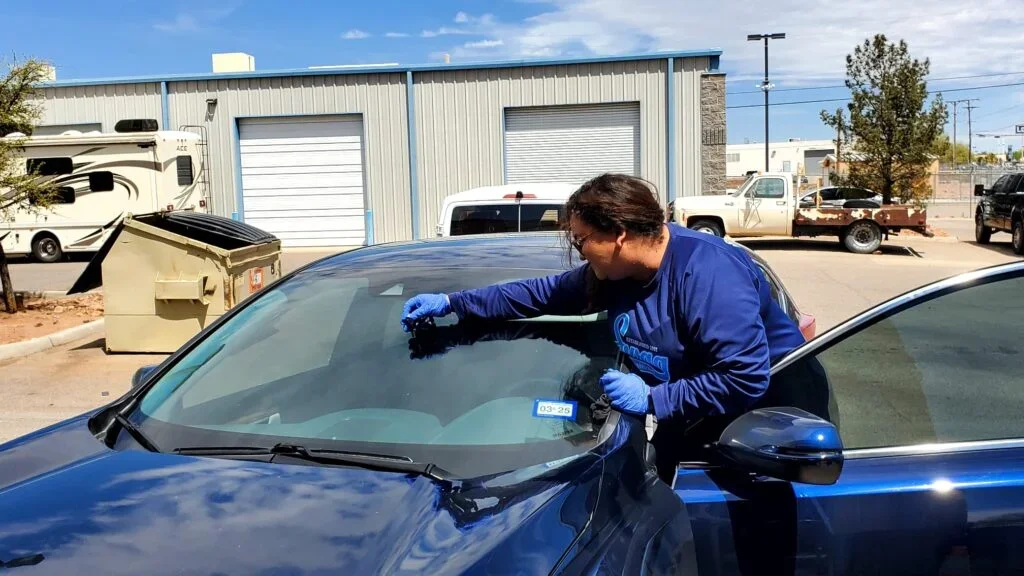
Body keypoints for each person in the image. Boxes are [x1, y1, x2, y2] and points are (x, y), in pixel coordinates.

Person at [400, 173, 808, 474]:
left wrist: (653, 401)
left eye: (581, 240)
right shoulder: (615, 275)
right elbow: (536, 294)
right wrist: (454, 302)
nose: (578, 252)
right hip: (692, 413)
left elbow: (744, 377)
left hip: (768, 426)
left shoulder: (707, 274)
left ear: (618, 234)